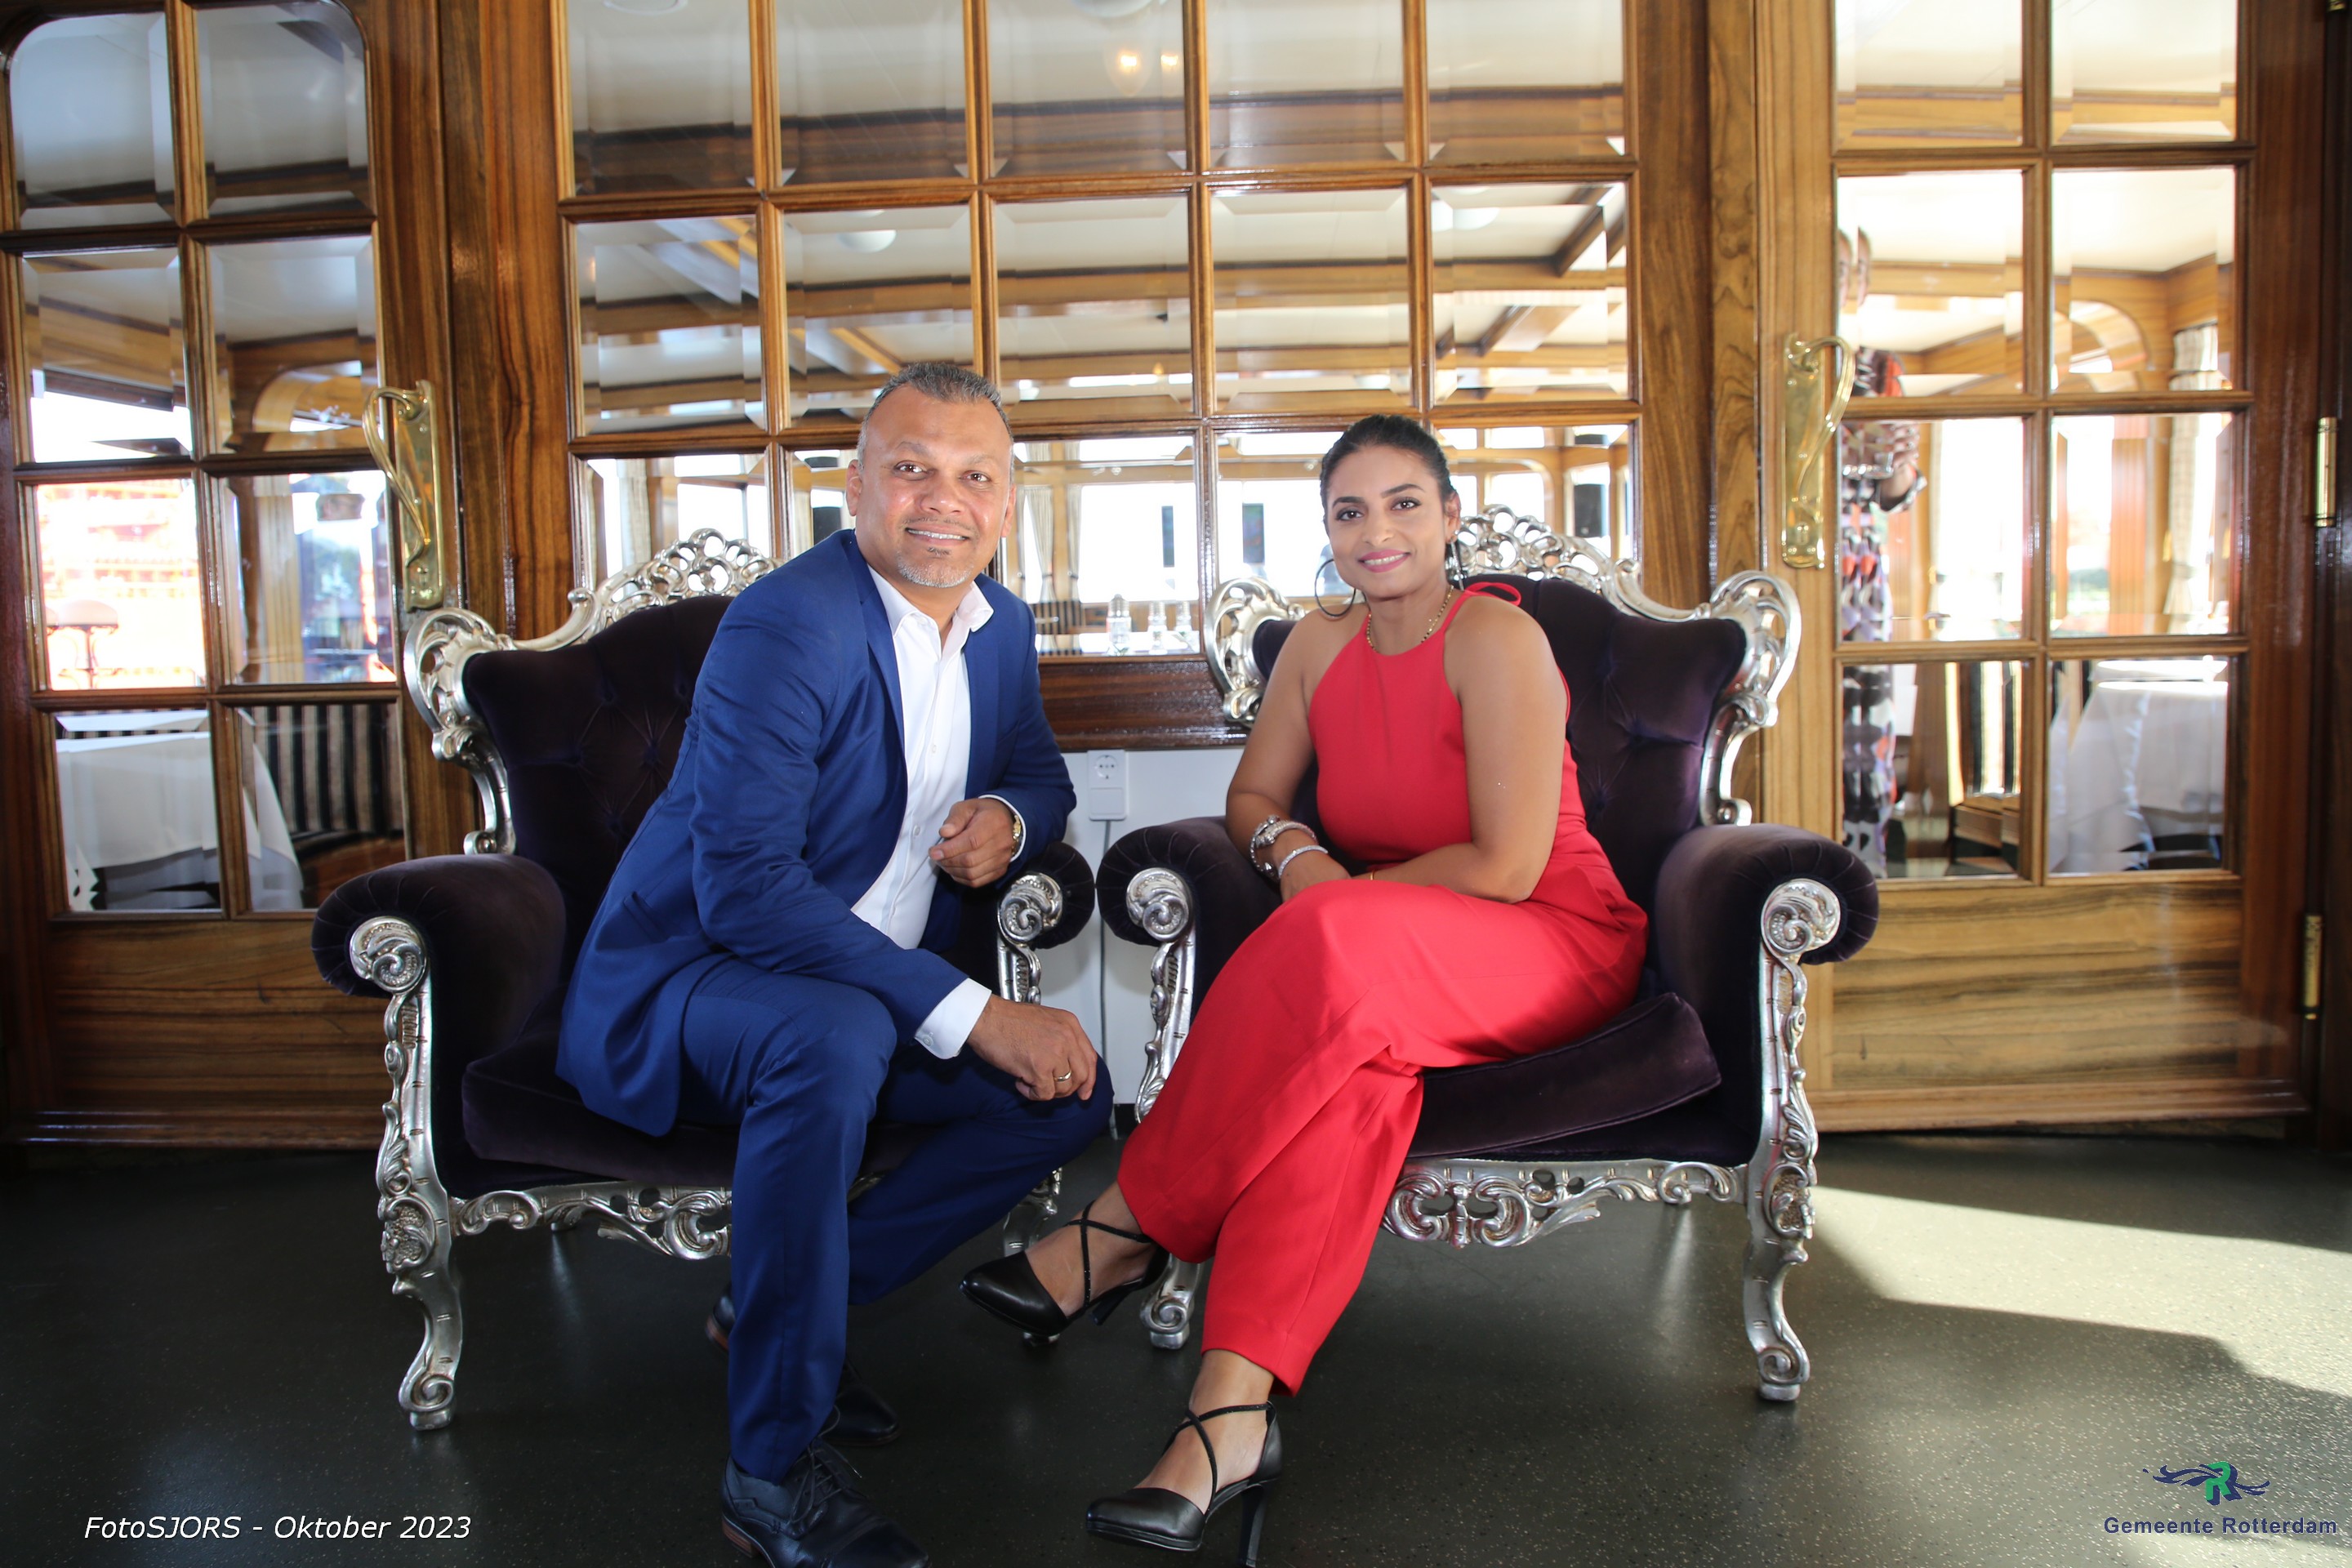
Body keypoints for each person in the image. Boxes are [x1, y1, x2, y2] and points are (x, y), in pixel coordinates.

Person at [960, 415, 1648, 1563]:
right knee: (1353, 1082)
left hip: (1549, 934)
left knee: (1330, 950)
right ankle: (1227, 1422)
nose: (1378, 531)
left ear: (1450, 518)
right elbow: (1252, 798)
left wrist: (1340, 900)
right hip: (1379, 952)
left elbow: (1508, 865)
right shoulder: (1318, 647)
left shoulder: (1497, 638)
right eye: (1349, 510)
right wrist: (1294, 856)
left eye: (1405, 503)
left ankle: (1126, 1227)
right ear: (1326, 529)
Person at [559, 363, 1109, 1568]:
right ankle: (768, 1472)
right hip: (693, 981)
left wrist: (1010, 818)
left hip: (861, 989)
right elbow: (746, 891)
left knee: (1069, 1093)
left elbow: (1041, 774)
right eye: (911, 469)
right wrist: (974, 1012)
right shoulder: (788, 625)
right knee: (839, 1034)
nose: (943, 500)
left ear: (1007, 504)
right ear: (854, 487)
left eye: (974, 477)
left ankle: (772, 1308)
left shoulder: (1000, 624)